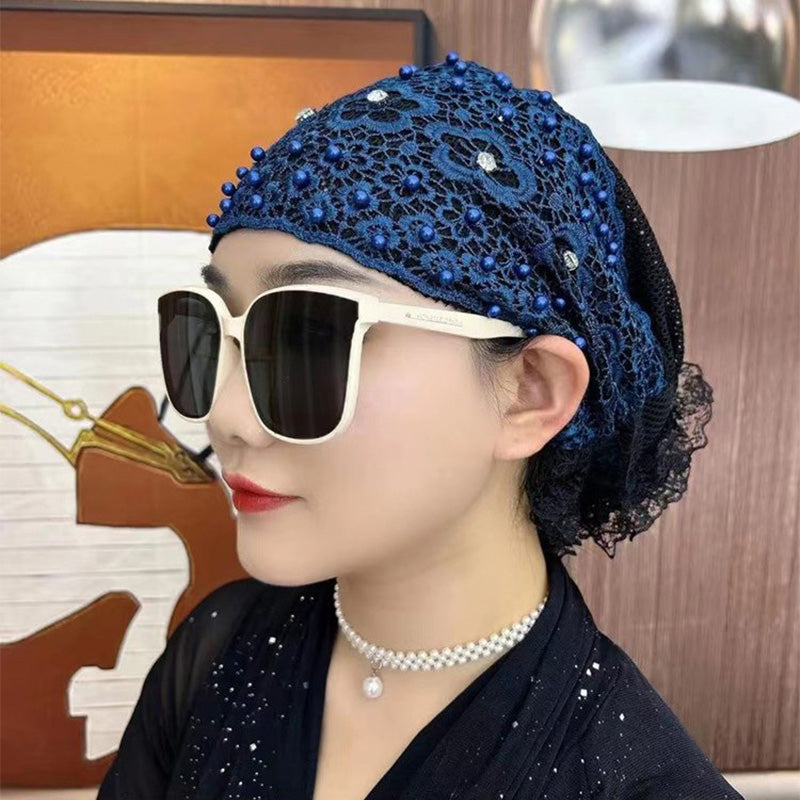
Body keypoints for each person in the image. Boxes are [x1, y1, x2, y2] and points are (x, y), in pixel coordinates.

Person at [98, 54, 743, 799]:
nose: (226, 416)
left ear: (532, 393)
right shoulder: (215, 654)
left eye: (307, 338)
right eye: (209, 331)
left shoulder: (634, 782)